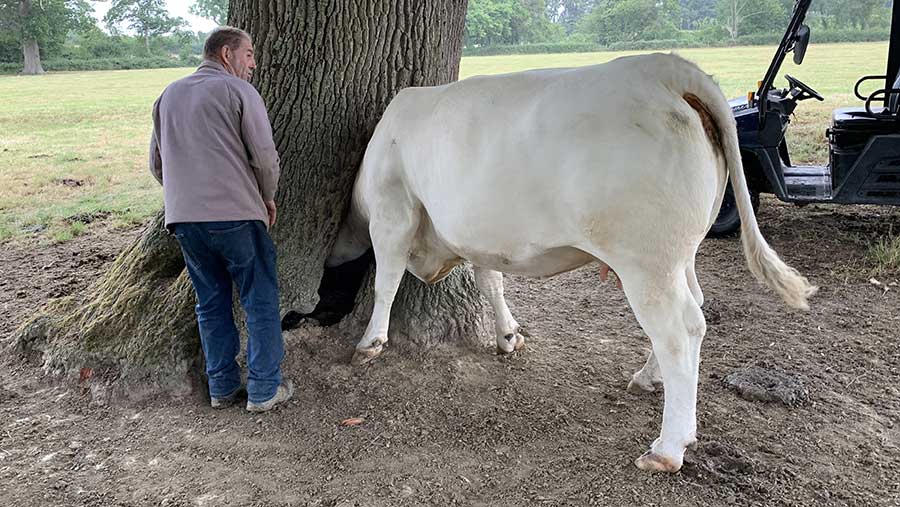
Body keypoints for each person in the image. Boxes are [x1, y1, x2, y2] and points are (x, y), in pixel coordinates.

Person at [148, 26, 292, 413]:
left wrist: (187, 196)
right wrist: (266, 197)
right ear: (227, 54)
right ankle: (264, 389)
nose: (254, 64)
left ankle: (222, 388)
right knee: (259, 299)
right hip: (238, 216)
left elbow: (158, 166)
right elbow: (264, 157)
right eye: (249, 55)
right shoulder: (240, 91)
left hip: (184, 221)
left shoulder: (167, 96)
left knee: (210, 303)